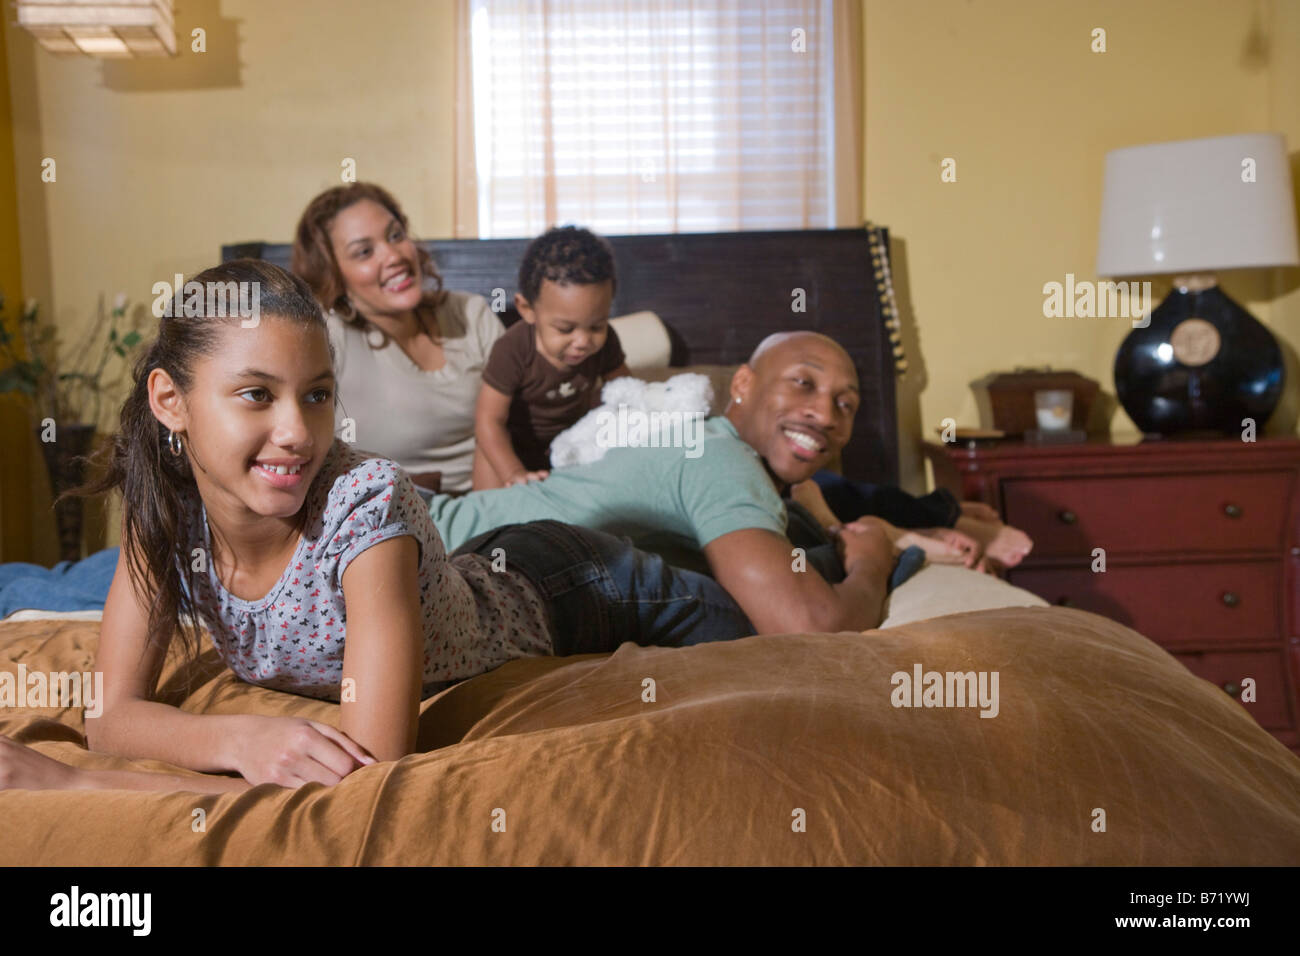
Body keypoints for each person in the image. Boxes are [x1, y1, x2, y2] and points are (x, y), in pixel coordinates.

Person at [0, 260, 817, 795]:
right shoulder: (162, 508)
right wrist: (238, 739)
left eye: (317, 395)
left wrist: (82, 783)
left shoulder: (367, 502)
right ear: (169, 402)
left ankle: (867, 548)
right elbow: (110, 717)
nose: (296, 431)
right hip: (470, 569)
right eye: (257, 395)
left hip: (573, 585)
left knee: (783, 628)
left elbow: (370, 765)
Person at [430, 331, 936, 635]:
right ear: (742, 384)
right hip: (426, 540)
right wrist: (872, 561)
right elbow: (809, 627)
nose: (825, 413)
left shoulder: (728, 461)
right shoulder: (723, 461)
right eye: (803, 383)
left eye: (845, 404)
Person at [292, 182, 503, 494]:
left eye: (395, 236)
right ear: (333, 274)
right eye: (364, 252)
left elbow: (525, 418)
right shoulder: (327, 338)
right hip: (400, 517)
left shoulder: (470, 314)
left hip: (498, 502)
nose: (393, 256)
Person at [473, 226, 631, 489]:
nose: (583, 342)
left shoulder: (607, 343)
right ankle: (486, 519)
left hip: (571, 444)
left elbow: (627, 393)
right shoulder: (512, 349)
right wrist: (513, 472)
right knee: (487, 455)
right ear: (527, 310)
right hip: (512, 447)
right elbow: (489, 421)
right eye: (565, 329)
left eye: (596, 326)